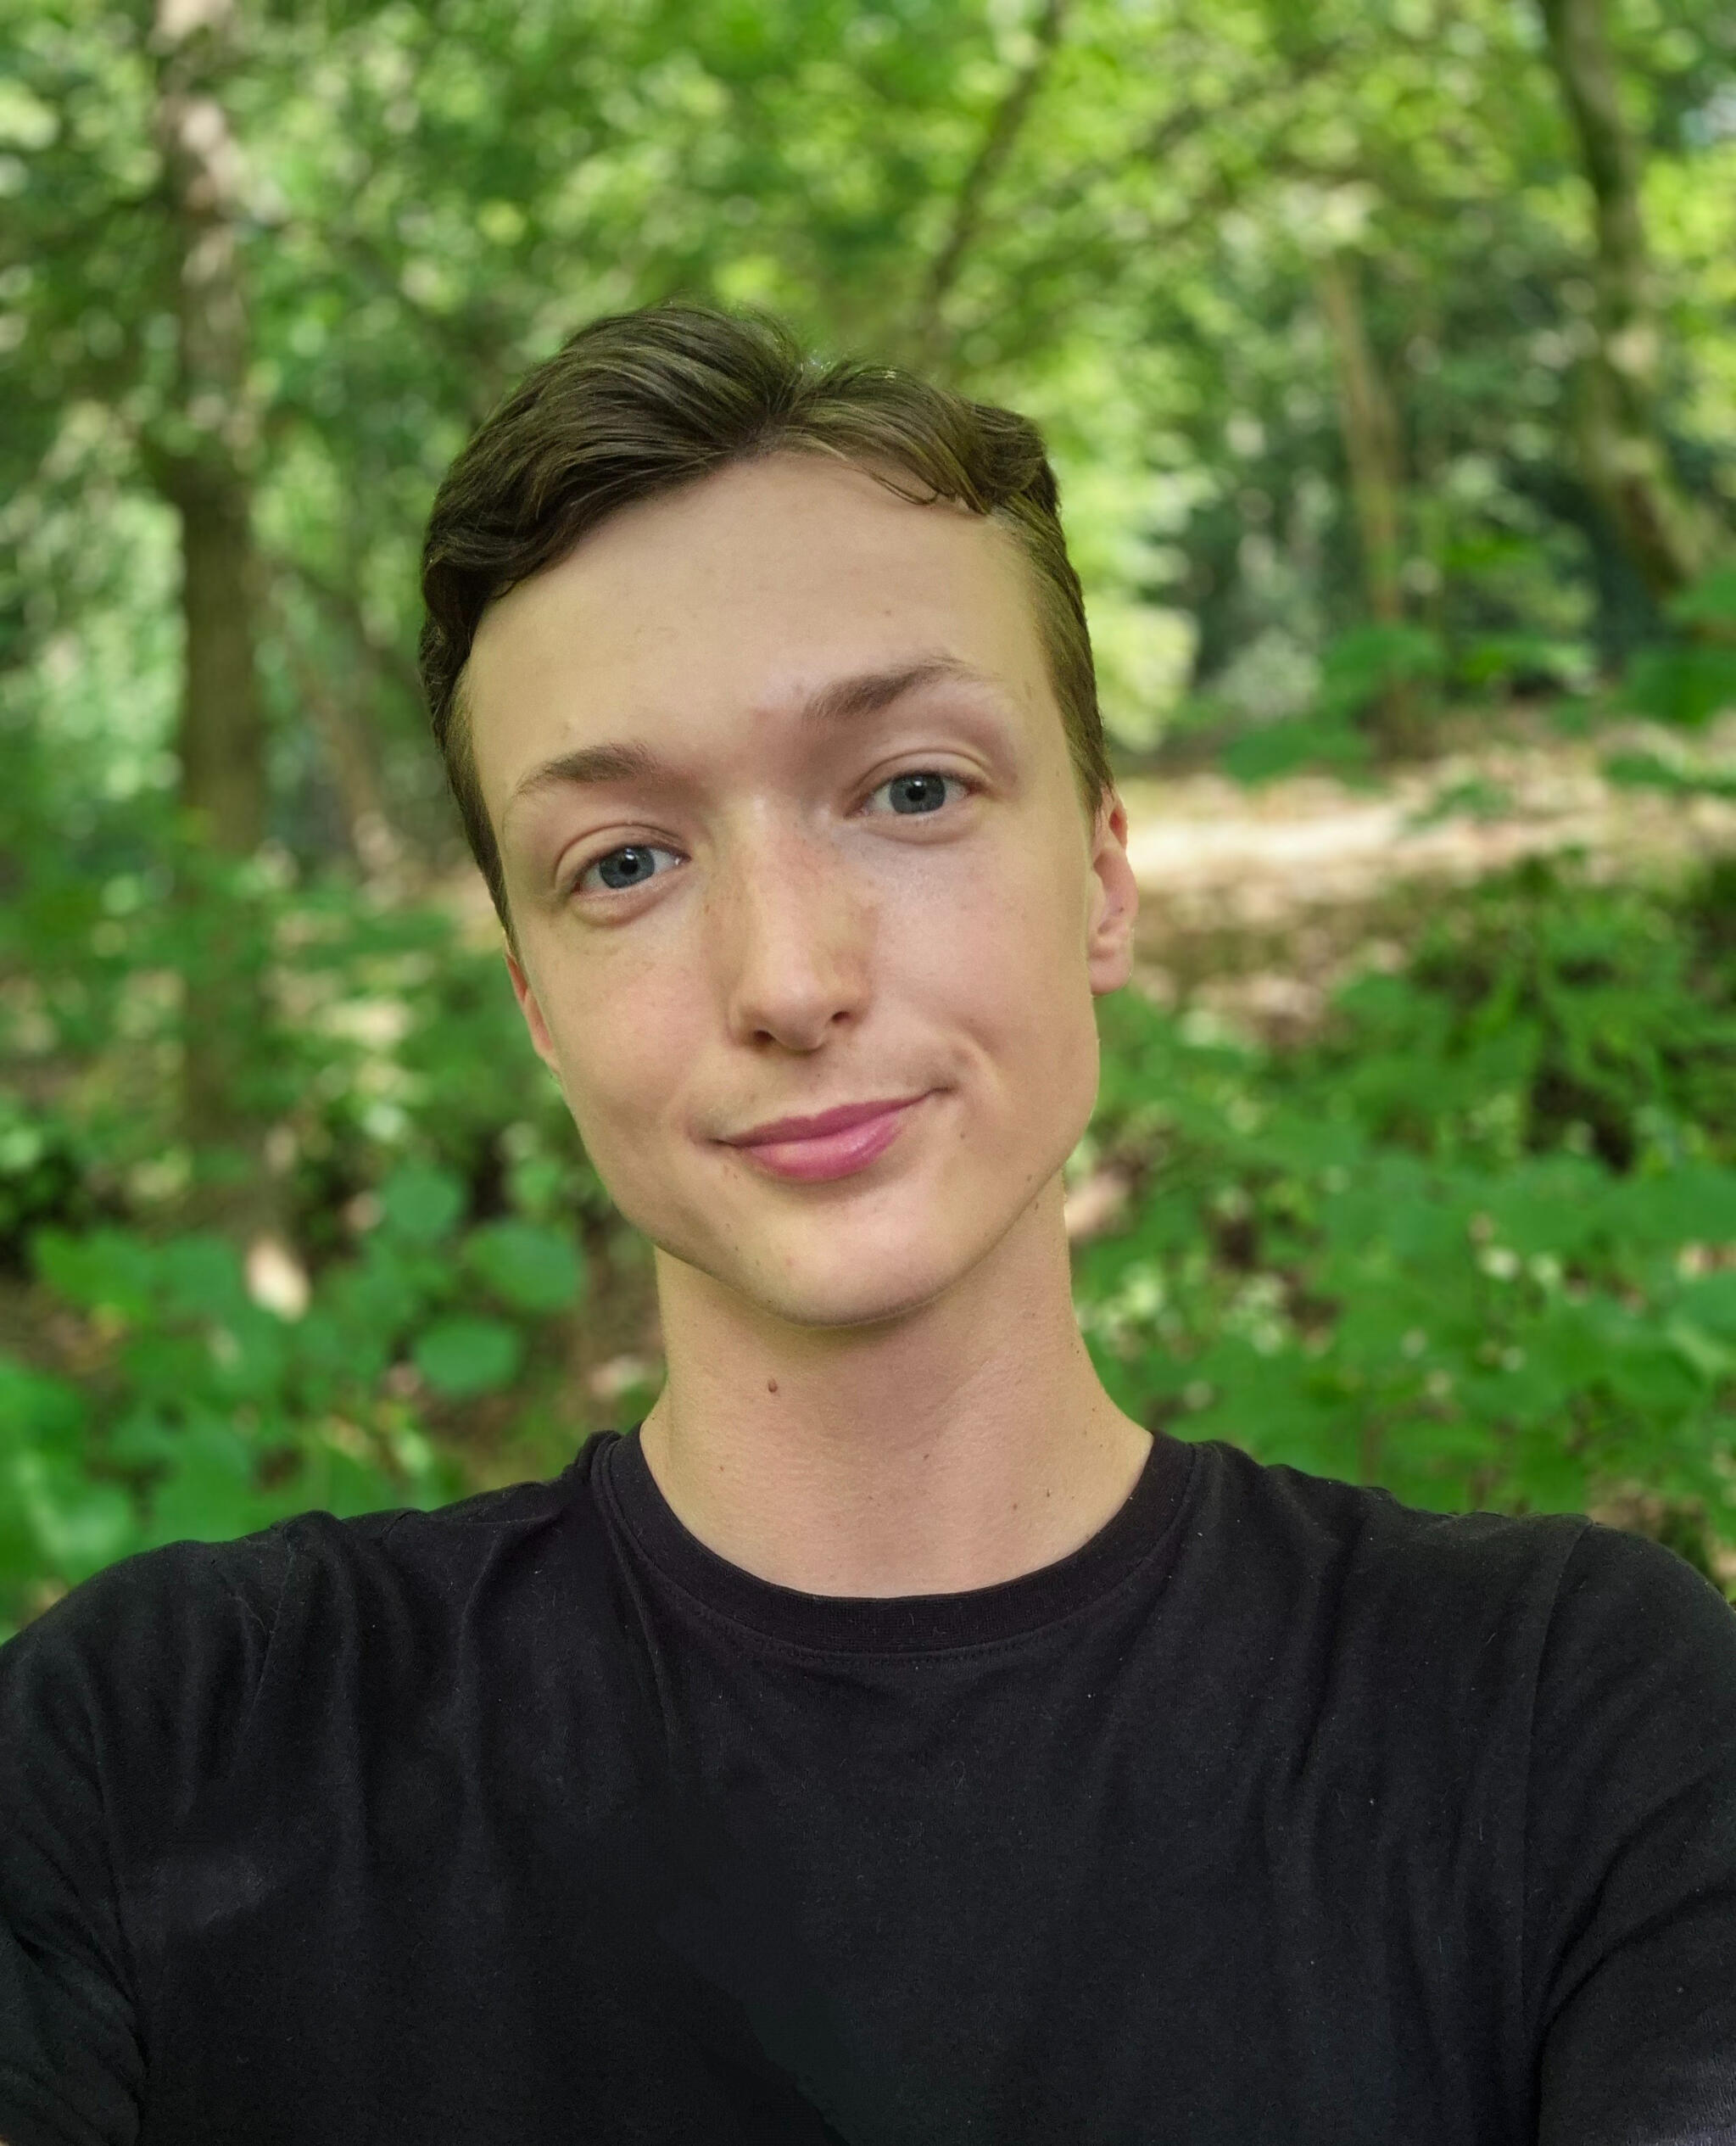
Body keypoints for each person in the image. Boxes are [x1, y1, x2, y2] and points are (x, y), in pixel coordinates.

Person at [3, 303, 1734, 2146]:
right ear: (533, 1000)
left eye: (913, 789)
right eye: (625, 862)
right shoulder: (163, 1746)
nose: (788, 976)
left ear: (1102, 876)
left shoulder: (1565, 1720)